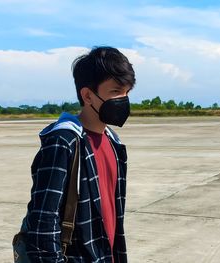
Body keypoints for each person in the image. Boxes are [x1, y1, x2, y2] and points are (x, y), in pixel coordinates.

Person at [20, 46, 136, 262]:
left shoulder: (113, 143)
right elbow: (43, 226)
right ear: (88, 95)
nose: (124, 99)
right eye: (115, 92)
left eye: (127, 92)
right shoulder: (63, 142)